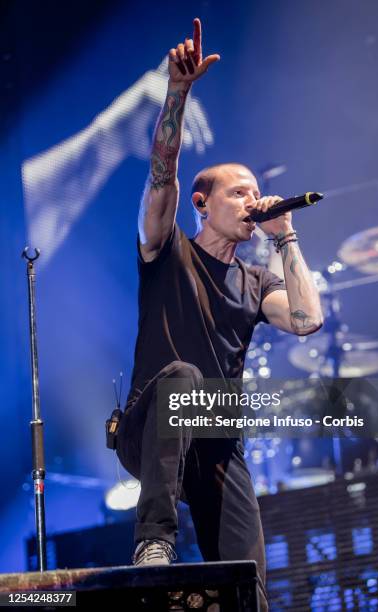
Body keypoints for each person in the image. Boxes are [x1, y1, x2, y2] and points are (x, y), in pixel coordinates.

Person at [116, 17, 323, 611]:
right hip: (149, 425)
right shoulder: (166, 249)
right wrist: (177, 93)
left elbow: (307, 320)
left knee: (245, 583)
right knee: (182, 379)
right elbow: (163, 177)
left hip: (215, 437)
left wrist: (285, 237)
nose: (253, 200)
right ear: (203, 205)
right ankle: (153, 541)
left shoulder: (257, 281)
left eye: (256, 191)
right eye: (240, 192)